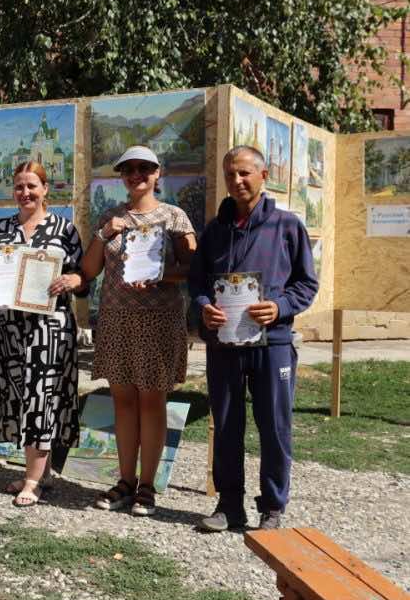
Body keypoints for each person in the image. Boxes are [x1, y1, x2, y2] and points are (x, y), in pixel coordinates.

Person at [191, 146, 317, 532]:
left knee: (274, 426)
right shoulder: (214, 231)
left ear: (264, 176)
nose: (237, 180)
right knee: (227, 425)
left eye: (245, 173)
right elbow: (197, 284)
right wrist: (204, 307)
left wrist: (279, 307)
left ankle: (273, 507)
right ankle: (229, 506)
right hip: (225, 344)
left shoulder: (287, 226)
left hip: (273, 344)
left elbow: (306, 284)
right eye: (230, 174)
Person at [82, 145, 196, 517]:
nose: (136, 175)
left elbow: (193, 267)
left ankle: (147, 485)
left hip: (157, 320)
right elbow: (89, 270)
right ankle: (125, 480)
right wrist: (103, 233)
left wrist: (162, 274)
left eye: (144, 168)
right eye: (128, 169)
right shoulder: (111, 216)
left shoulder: (174, 217)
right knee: (123, 401)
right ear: (121, 176)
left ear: (157, 173)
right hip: (117, 319)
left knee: (151, 400)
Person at [0, 162, 88, 507]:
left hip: (49, 328)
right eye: (19, 187)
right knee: (20, 396)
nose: (25, 193)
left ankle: (33, 480)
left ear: (45, 189)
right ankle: (43, 472)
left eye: (32, 186)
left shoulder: (64, 229)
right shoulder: (0, 229)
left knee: (42, 396)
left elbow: (83, 279)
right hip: (10, 328)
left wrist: (72, 280)